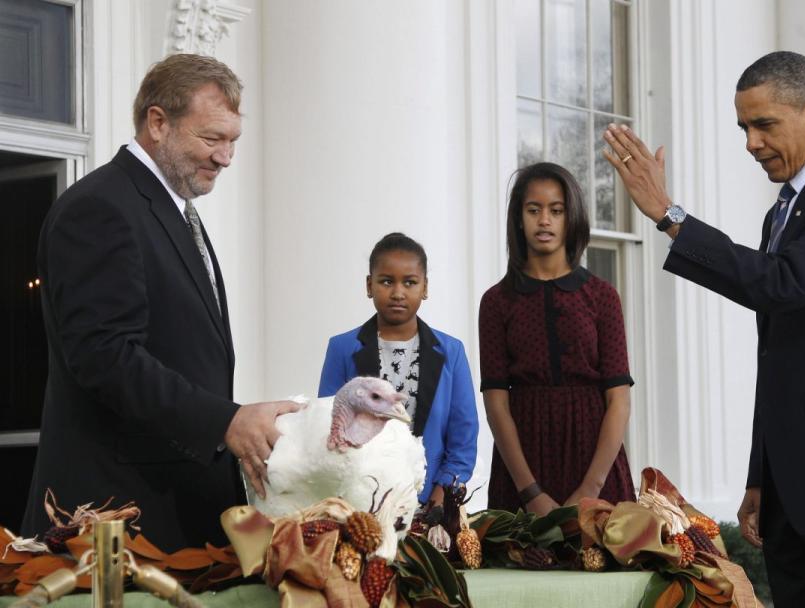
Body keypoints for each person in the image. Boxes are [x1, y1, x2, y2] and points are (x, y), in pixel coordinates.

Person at [604, 51, 805, 606]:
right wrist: (762, 476)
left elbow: (782, 284)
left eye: (764, 125)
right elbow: (780, 353)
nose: (751, 143)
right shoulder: (782, 214)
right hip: (794, 497)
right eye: (743, 127)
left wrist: (671, 215)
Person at [21, 54, 301, 552]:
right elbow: (105, 356)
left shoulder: (170, 208)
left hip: (176, 519)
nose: (225, 157)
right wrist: (225, 421)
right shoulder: (100, 207)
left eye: (233, 141)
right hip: (115, 526)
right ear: (157, 122)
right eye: (212, 138)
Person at [479, 162, 635, 517]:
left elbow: (619, 401)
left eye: (556, 210)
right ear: (519, 218)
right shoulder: (496, 302)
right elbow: (496, 405)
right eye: (533, 210)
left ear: (571, 218)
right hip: (522, 463)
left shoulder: (602, 296)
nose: (544, 220)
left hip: (594, 462)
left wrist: (590, 490)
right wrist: (530, 493)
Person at [319, 232, 479, 506]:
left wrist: (442, 498)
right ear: (369, 285)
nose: (398, 293)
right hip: (361, 505)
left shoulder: (451, 352)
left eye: (410, 282)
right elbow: (329, 426)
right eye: (386, 281)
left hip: (433, 505)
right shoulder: (342, 349)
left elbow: (463, 437)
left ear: (425, 287)